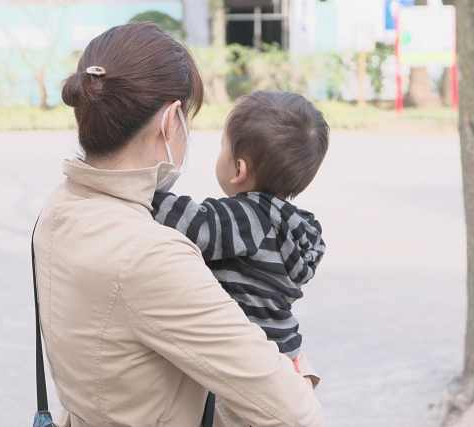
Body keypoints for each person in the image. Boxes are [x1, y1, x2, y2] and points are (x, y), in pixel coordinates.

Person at [33, 22, 325, 427]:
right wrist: (295, 367)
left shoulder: (58, 207)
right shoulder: (150, 253)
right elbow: (295, 414)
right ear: (171, 120)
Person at [151, 91, 329, 383]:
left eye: (223, 147)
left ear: (238, 169)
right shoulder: (297, 226)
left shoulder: (246, 217)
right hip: (286, 354)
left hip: (252, 362)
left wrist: (143, 192)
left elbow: (193, 224)